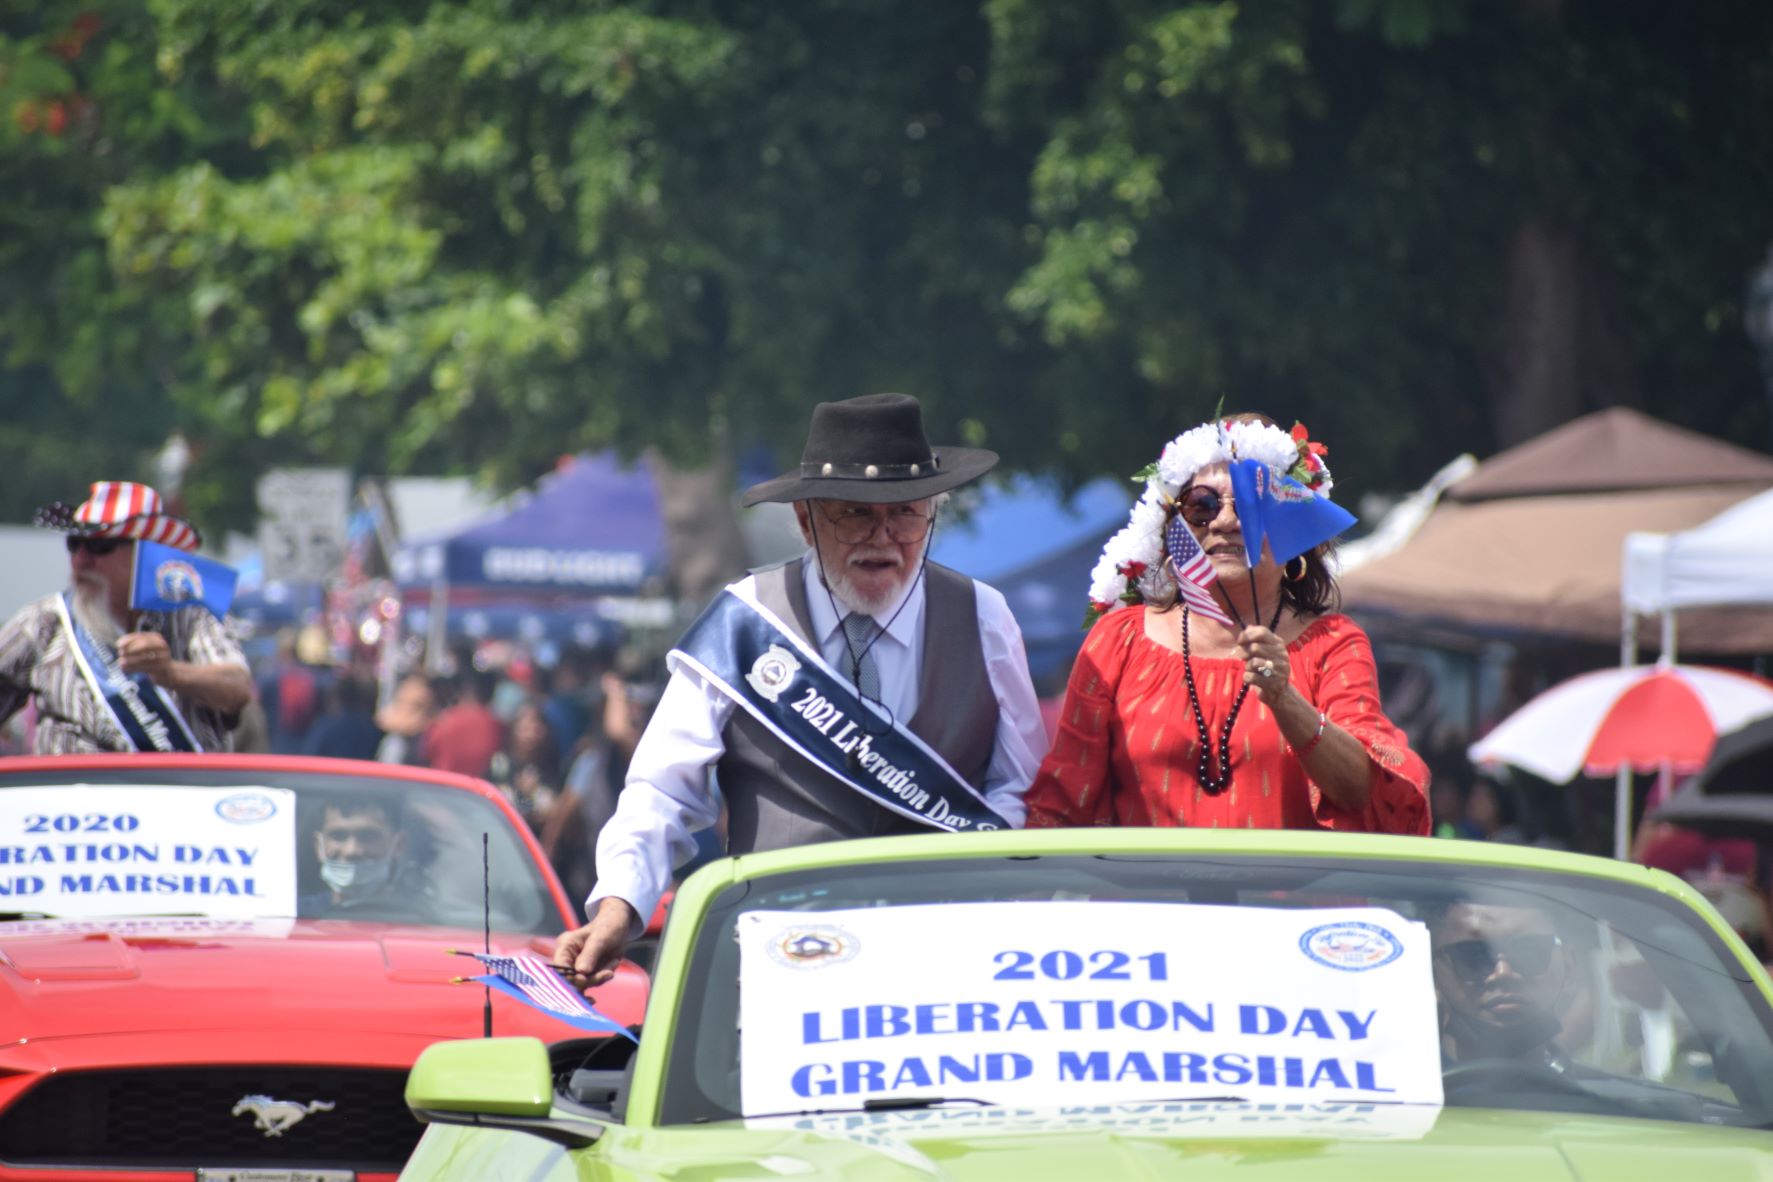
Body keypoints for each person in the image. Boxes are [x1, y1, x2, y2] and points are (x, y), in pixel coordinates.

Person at [555, 393, 1049, 984]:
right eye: (855, 514)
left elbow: (1022, 793)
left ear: (932, 516)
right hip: (783, 962)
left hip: (940, 965)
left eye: (906, 513)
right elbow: (662, 792)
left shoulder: (984, 616)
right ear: (805, 521)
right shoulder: (743, 622)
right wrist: (619, 906)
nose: (883, 537)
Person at [1023, 414, 1429, 833]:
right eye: (1203, 505)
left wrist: (1285, 701)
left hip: (1284, 879)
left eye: (1253, 506)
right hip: (1149, 881)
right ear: (1176, 527)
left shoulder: (1333, 644)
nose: (1225, 521)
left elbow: (1362, 791)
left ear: (1295, 533)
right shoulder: (1119, 640)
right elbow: (1061, 806)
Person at [0, 481, 251, 753]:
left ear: (148, 552)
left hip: (177, 781)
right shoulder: (44, 621)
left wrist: (170, 673)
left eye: (100, 546)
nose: (80, 561)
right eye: (74, 544)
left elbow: (236, 688)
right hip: (74, 781)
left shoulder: (192, 613)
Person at [1431, 897, 1574, 1068]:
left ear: (1569, 966)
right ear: (1432, 974)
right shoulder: (1405, 1084)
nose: (1503, 973)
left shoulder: (1598, 1085)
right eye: (1474, 955)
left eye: (1529, 952)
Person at [301, 797, 419, 915]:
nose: (351, 851)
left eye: (368, 836)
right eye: (338, 836)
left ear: (398, 845)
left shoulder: (417, 919)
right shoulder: (297, 916)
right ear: (318, 846)